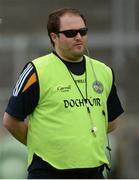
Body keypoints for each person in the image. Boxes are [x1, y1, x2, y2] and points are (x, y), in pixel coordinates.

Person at [3, 8, 124, 179]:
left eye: (83, 31)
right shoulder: (37, 70)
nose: (78, 37)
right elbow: (11, 121)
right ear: (54, 37)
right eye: (70, 33)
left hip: (93, 172)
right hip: (48, 172)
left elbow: (112, 121)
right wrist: (42, 145)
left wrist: (81, 137)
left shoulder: (103, 71)